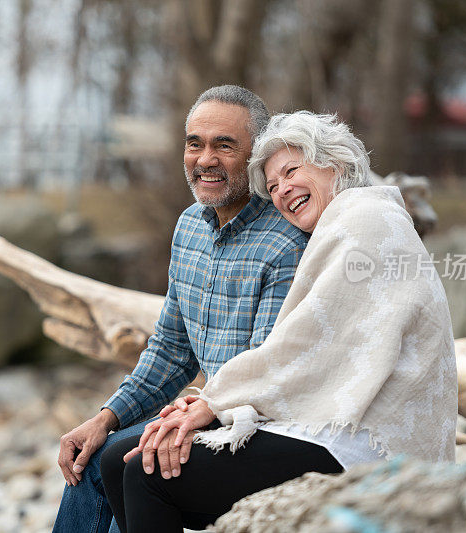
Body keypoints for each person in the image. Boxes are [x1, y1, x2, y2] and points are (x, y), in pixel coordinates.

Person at [100, 111, 458, 533]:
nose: (283, 190)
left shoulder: (365, 223)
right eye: (272, 187)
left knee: (147, 473)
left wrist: (213, 402)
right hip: (341, 429)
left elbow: (309, 346)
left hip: (370, 445)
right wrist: (209, 402)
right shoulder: (351, 221)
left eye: (292, 171)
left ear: (334, 163)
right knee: (120, 461)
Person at [52, 86, 310, 533]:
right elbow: (171, 349)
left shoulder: (286, 242)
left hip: (253, 426)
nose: (205, 158)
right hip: (205, 410)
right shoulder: (189, 226)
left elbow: (263, 376)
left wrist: (187, 418)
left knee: (129, 458)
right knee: (92, 455)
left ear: (256, 155)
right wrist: (105, 417)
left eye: (224, 145)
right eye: (195, 143)